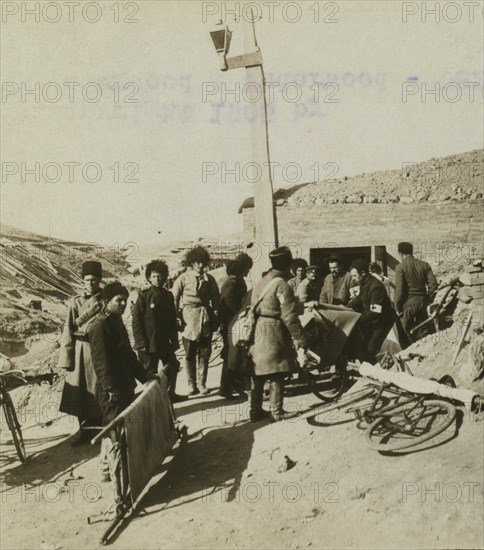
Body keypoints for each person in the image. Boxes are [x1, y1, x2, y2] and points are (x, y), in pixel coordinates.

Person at [89, 282, 154, 482]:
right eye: (119, 300)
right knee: (113, 430)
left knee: (117, 428)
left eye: (125, 300)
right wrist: (110, 388)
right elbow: (100, 362)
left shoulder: (116, 322)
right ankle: (115, 475)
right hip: (110, 389)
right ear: (106, 301)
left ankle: (108, 469)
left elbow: (128, 355)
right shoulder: (99, 327)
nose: (123, 304)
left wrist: (145, 377)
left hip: (123, 385)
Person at [250, 246, 307, 423]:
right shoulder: (282, 285)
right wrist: (301, 338)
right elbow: (289, 316)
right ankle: (276, 412)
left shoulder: (262, 281)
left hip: (256, 328)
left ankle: (255, 411)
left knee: (258, 372)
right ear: (287, 265)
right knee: (277, 371)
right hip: (272, 330)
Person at [58, 261, 104, 446]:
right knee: (81, 393)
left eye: (93, 280)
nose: (90, 284)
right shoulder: (76, 302)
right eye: (86, 280)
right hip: (80, 351)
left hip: (99, 350)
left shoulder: (105, 300)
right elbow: (68, 329)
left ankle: (102, 429)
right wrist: (66, 358)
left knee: (99, 389)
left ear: (99, 280)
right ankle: (83, 430)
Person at [132, 260, 186, 403]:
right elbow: (136, 322)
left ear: (165, 277)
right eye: (154, 276)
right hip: (148, 343)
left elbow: (172, 321)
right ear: (149, 278)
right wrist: (141, 343)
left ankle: (170, 394)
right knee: (150, 373)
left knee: (173, 365)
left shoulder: (168, 296)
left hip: (164, 341)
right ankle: (154, 402)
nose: (157, 279)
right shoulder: (143, 296)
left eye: (160, 276)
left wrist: (174, 341)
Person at [172, 245, 220, 396]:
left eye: (203, 263)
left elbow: (216, 299)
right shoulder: (183, 278)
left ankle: (202, 383)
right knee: (189, 353)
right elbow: (174, 297)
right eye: (198, 262)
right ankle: (191, 383)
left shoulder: (209, 279)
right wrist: (177, 316)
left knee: (205, 352)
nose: (201, 266)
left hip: (205, 316)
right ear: (192, 263)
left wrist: (215, 317)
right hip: (189, 317)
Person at [218, 253, 253, 399]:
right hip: (231, 324)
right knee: (232, 357)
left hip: (230, 323)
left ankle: (231, 387)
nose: (248, 271)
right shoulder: (233, 282)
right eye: (247, 268)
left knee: (232, 356)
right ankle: (227, 388)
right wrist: (239, 313)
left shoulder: (233, 280)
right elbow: (228, 298)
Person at [348, 259, 396, 364]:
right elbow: (360, 299)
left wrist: (356, 319)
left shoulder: (375, 287)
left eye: (355, 276)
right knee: (362, 346)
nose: (353, 279)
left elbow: (375, 312)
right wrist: (346, 308)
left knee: (371, 348)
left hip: (383, 321)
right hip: (372, 320)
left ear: (363, 273)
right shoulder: (364, 283)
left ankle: (378, 370)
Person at [394, 242, 438, 336]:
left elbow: (399, 290)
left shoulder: (400, 267)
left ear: (401, 254)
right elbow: (433, 284)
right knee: (423, 330)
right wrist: (429, 299)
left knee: (406, 332)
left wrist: (397, 307)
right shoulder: (424, 265)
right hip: (422, 302)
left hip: (408, 305)